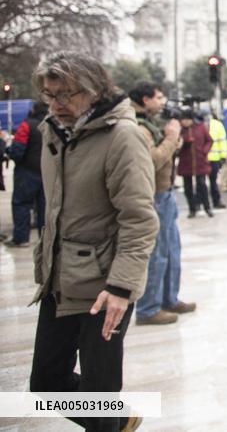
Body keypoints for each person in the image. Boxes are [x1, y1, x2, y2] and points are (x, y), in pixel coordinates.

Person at [29, 52, 155, 432]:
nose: (56, 104)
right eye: (49, 95)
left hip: (105, 288)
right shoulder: (52, 131)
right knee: (45, 386)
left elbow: (139, 220)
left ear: (94, 90)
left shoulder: (123, 137)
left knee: (99, 398)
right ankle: (120, 419)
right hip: (60, 279)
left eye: (66, 94)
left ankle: (110, 420)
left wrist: (120, 288)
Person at [130, 82, 197, 326]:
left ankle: (169, 299)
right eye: (158, 97)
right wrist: (171, 137)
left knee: (171, 251)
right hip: (153, 195)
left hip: (165, 193)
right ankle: (148, 308)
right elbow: (152, 161)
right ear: (145, 100)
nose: (162, 102)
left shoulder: (149, 123)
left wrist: (173, 141)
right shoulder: (138, 127)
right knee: (157, 254)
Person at [5, 101, 47, 248]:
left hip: (27, 172)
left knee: (21, 204)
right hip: (47, 173)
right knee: (45, 208)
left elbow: (17, 150)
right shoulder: (53, 126)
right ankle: (45, 241)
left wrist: (10, 153)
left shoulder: (27, 125)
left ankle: (21, 239)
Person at [177, 109, 213, 218]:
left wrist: (204, 151)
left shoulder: (200, 127)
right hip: (185, 162)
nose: (185, 122)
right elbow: (175, 144)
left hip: (200, 161)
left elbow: (209, 140)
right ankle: (192, 209)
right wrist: (184, 142)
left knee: (202, 185)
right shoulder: (179, 129)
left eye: (187, 119)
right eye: (183, 120)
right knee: (187, 188)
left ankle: (207, 207)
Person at [205, 109, 227, 209]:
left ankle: (216, 201)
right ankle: (202, 203)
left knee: (213, 182)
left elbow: (222, 141)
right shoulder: (198, 125)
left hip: (214, 159)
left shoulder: (217, 125)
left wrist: (223, 157)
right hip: (202, 159)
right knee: (201, 183)